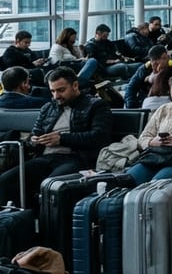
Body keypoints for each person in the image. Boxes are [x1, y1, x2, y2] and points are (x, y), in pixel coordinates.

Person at [0, 68, 111, 210]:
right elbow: (35, 134)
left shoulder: (96, 105)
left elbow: (100, 137)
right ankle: (20, 222)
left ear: (75, 86)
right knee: (5, 181)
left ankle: (49, 228)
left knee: (51, 185)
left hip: (75, 157)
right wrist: (33, 141)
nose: (56, 96)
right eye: (52, 91)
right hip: (45, 157)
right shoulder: (48, 108)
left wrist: (62, 139)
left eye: (61, 90)